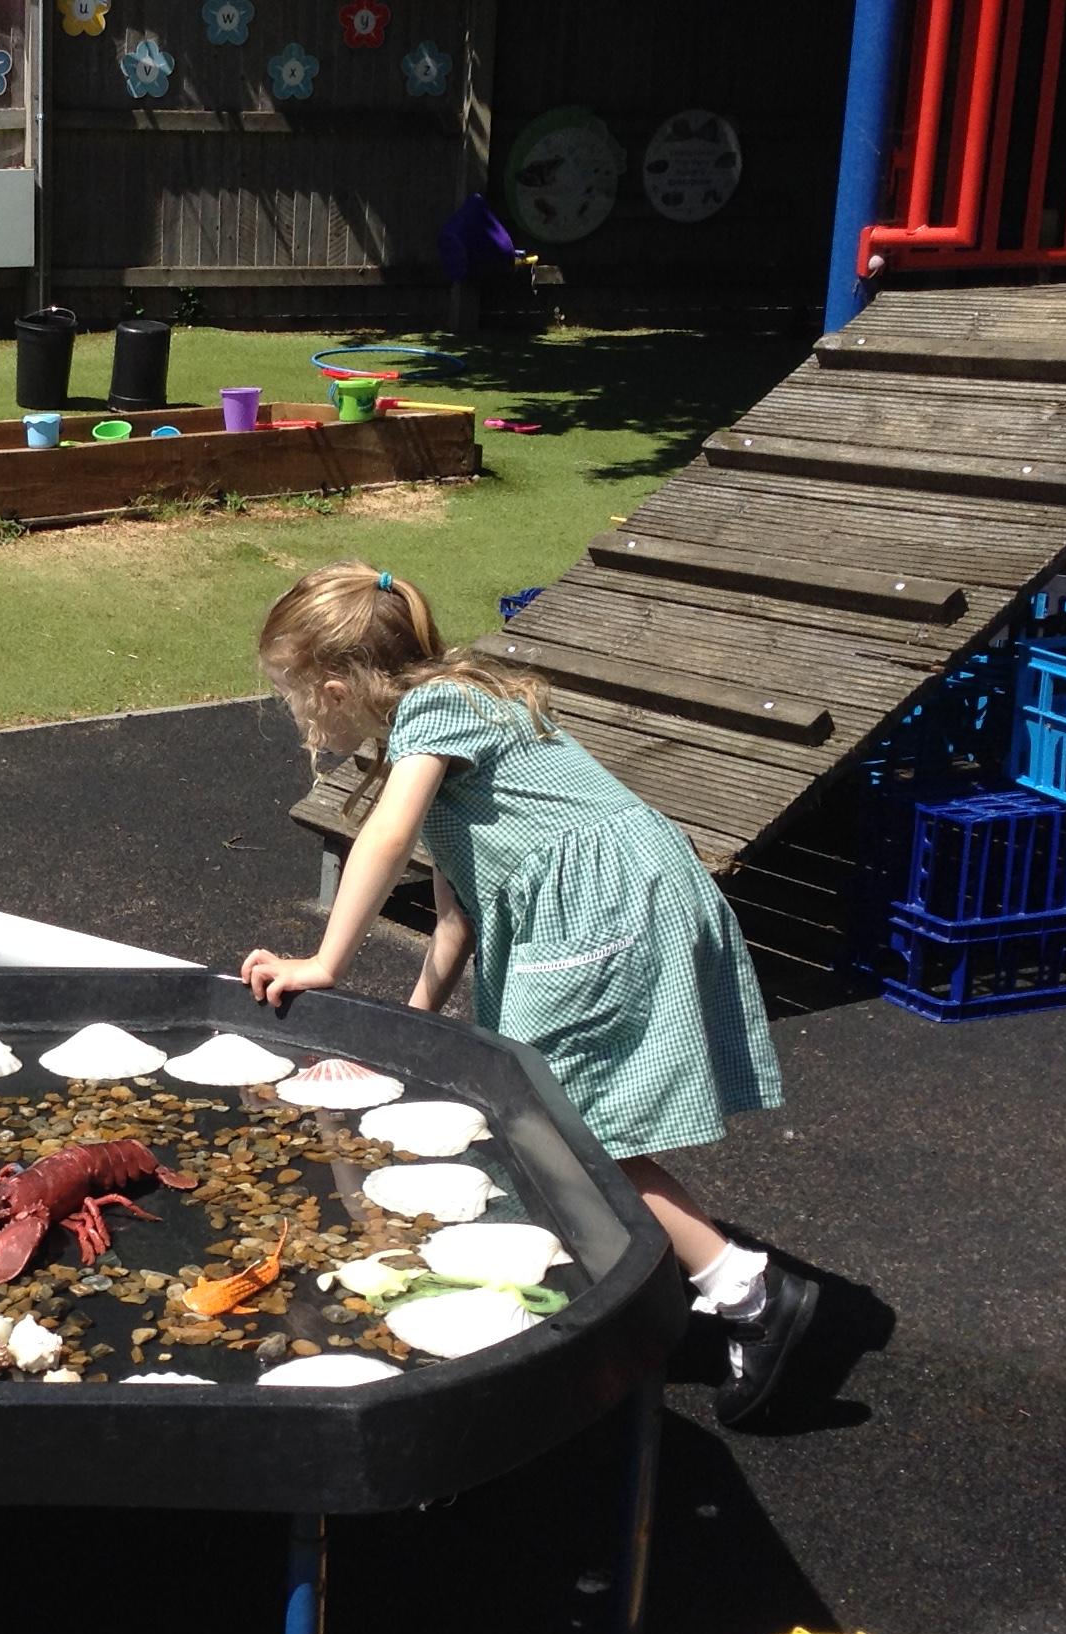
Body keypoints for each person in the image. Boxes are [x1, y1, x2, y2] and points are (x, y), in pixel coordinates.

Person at [238, 564, 815, 1427]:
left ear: (333, 688)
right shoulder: (458, 712)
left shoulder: (436, 714)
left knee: (563, 1136)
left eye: (292, 695)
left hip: (600, 918)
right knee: (549, 1122)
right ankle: (647, 1282)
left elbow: (384, 839)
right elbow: (456, 918)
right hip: (620, 901)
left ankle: (750, 1293)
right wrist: (413, 1029)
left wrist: (324, 962)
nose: (296, 715)